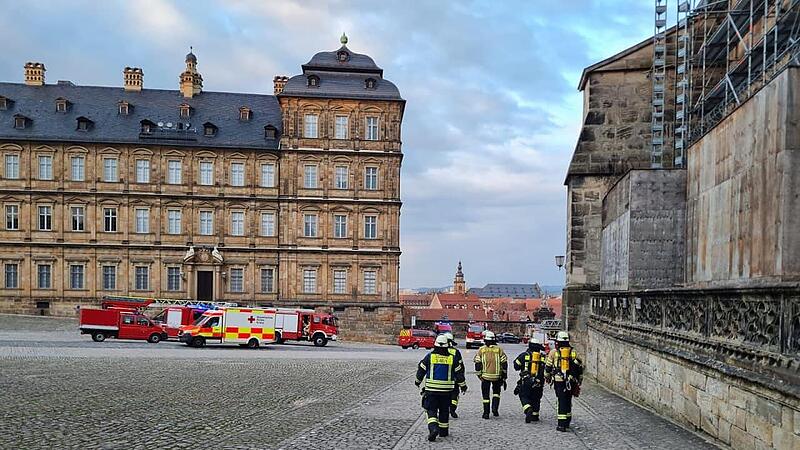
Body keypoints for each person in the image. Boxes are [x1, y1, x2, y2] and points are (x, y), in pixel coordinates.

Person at [416, 334, 467, 442]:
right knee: (444, 411)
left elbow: (421, 370)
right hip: (447, 392)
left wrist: (418, 381)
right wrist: (463, 386)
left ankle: (433, 428)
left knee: (431, 410)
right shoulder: (452, 358)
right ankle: (443, 432)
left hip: (431, 391)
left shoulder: (430, 357)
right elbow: (459, 374)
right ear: (447, 346)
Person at [545, 331, 584, 432]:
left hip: (559, 380)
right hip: (571, 380)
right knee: (568, 399)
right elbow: (579, 369)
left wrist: (547, 377)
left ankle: (561, 425)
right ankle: (567, 421)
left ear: (557, 342)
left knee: (561, 400)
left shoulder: (554, 352)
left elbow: (548, 367)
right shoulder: (573, 352)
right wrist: (579, 380)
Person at [473, 330, 508, 419]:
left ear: (485, 340)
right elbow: (504, 363)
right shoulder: (499, 349)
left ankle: (486, 413)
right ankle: (495, 409)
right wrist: (504, 376)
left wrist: (479, 375)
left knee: (485, 396)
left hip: (485, 377)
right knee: (496, 393)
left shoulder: (481, 350)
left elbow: (477, 363)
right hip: (497, 376)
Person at [513, 336, 547, 423]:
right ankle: (535, 416)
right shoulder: (543, 357)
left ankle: (528, 408)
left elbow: (516, 366)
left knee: (524, 396)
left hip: (526, 381)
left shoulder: (524, 355)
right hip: (539, 382)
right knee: (536, 398)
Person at [444, 332, 462, 418]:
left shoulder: (438, 351)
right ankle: (452, 409)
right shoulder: (456, 352)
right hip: (453, 378)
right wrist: (461, 380)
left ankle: (443, 408)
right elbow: (460, 366)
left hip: (442, 378)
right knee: (455, 394)